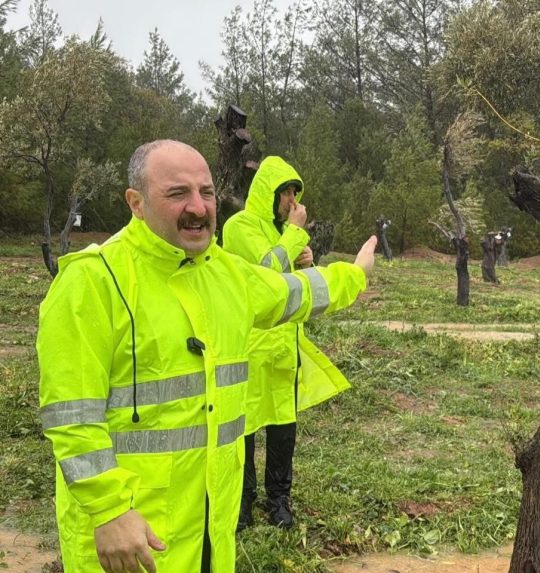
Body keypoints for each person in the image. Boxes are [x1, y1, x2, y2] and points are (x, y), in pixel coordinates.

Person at [37, 140, 376, 573]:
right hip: (132, 542)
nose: (198, 207)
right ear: (136, 203)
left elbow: (296, 292)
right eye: (177, 193)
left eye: (207, 192)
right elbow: (72, 417)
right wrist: (109, 509)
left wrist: (356, 274)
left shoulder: (225, 274)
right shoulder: (92, 282)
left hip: (210, 535)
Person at [222, 157, 355, 531]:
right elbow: (266, 272)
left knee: (283, 430)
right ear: (268, 192)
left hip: (283, 350)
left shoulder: (285, 232)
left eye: (295, 192)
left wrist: (307, 263)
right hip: (249, 349)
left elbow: (296, 288)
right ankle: (242, 501)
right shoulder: (239, 226)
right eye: (286, 192)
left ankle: (279, 500)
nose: (292, 200)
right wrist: (295, 235)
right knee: (243, 430)